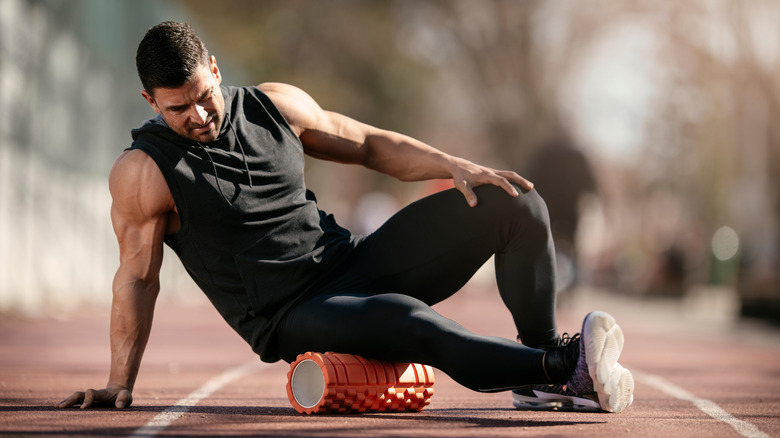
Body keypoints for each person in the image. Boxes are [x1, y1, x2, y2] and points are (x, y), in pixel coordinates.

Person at [56, 21, 633, 413]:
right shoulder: (144, 172)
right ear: (150, 102)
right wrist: (118, 384)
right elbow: (137, 278)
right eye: (178, 107)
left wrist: (454, 165)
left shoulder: (272, 105)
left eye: (205, 95)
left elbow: (367, 144)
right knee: (410, 322)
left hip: (350, 261)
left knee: (515, 203)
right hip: (292, 312)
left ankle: (538, 374)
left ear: (212, 67)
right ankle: (562, 367)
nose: (199, 114)